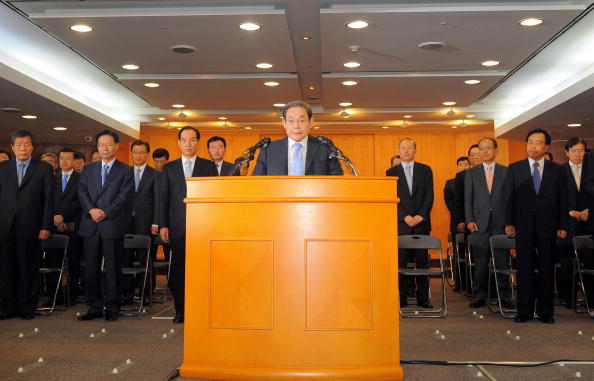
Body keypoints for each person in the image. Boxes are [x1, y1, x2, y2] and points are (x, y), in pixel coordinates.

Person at [504, 128, 568, 324]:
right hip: (523, 226)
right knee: (524, 269)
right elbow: (508, 198)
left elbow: (563, 199)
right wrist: (509, 222)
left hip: (548, 226)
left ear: (546, 146)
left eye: (538, 142)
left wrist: (563, 225)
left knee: (546, 268)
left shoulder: (557, 170)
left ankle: (546, 312)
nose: (533, 146)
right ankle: (524, 311)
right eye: (530, 142)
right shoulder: (515, 168)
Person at [159, 126, 217, 323]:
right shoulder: (169, 168)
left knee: (202, 270)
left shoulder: (208, 167)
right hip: (177, 227)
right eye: (184, 140)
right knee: (178, 270)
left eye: (192, 140)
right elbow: (163, 199)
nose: (188, 144)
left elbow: (213, 198)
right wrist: (163, 225)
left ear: (198, 142)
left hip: (202, 228)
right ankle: (180, 310)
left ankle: (200, 308)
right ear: (179, 143)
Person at [77, 130, 134, 322]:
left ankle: (112, 305)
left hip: (112, 224)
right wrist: (92, 210)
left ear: (116, 146)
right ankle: (93, 305)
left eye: (108, 144)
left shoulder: (126, 170)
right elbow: (82, 192)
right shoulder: (88, 169)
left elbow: (124, 197)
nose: (104, 148)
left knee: (113, 267)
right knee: (91, 267)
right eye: (101, 145)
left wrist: (105, 212)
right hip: (91, 224)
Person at [0, 130, 53, 320]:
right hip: (5, 226)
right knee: (6, 269)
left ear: (32, 146)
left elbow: (49, 200)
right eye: (19, 144)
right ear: (13, 147)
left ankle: (27, 307)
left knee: (28, 267)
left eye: (27, 144)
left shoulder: (43, 168)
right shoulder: (3, 168)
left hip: (31, 225)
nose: (23, 148)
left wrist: (46, 226)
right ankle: (7, 306)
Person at [386, 138, 434, 308]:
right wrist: (404, 216)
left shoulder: (425, 170)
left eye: (409, 148)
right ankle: (402, 299)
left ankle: (423, 299)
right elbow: (392, 197)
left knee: (422, 263)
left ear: (415, 150)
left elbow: (429, 195)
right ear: (399, 150)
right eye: (403, 148)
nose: (406, 151)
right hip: (402, 224)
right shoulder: (391, 173)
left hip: (421, 224)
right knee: (401, 263)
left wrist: (421, 216)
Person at [464, 138, 512, 308]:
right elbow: (467, 198)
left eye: (488, 148)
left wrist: (510, 221)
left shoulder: (506, 171)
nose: (484, 151)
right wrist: (469, 219)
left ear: (495, 150)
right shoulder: (472, 173)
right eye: (481, 149)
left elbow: (510, 199)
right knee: (480, 262)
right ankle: (479, 296)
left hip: (501, 223)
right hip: (479, 223)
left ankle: (504, 296)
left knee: (502, 261)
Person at [252, 101, 343, 176]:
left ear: (311, 122)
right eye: (291, 121)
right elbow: (256, 183)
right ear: (284, 122)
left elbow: (337, 182)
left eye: (301, 120)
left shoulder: (325, 149)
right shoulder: (269, 150)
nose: (296, 126)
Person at [122, 140, 159, 304]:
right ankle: (126, 295)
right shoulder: (123, 173)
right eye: (135, 152)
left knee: (146, 259)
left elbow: (159, 201)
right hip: (125, 222)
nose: (138, 155)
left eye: (142, 152)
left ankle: (146, 294)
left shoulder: (156, 174)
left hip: (146, 223)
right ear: (131, 153)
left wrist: (156, 223)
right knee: (125, 258)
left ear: (147, 154)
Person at [558, 137, 591, 308]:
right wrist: (569, 212)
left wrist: (587, 212)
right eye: (574, 151)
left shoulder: (590, 170)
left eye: (581, 150)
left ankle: (590, 298)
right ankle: (568, 298)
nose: (578, 154)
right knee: (567, 261)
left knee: (589, 260)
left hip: (588, 223)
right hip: (567, 224)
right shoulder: (559, 171)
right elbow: (556, 198)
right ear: (567, 153)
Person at [46, 147, 82, 306]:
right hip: (54, 226)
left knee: (73, 262)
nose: (65, 161)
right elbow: (47, 200)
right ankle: (54, 294)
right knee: (53, 261)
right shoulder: (51, 178)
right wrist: (54, 216)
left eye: (68, 158)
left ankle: (71, 294)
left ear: (74, 161)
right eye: (62, 158)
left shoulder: (81, 178)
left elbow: (79, 201)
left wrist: (63, 216)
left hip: (73, 226)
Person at [444, 156, 470, 291]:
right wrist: (460, 219)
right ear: (457, 166)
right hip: (457, 221)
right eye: (461, 164)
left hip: (473, 222)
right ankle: (460, 283)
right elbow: (450, 204)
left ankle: (471, 283)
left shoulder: (473, 179)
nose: (464, 167)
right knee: (458, 253)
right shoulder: (450, 183)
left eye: (466, 164)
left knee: (471, 253)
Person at [454, 144, 481, 233]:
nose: (476, 157)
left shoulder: (492, 171)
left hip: (491, 219)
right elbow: (458, 200)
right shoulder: (461, 176)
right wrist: (461, 220)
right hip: (469, 220)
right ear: (469, 158)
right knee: (472, 245)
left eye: (478, 154)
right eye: (472, 155)